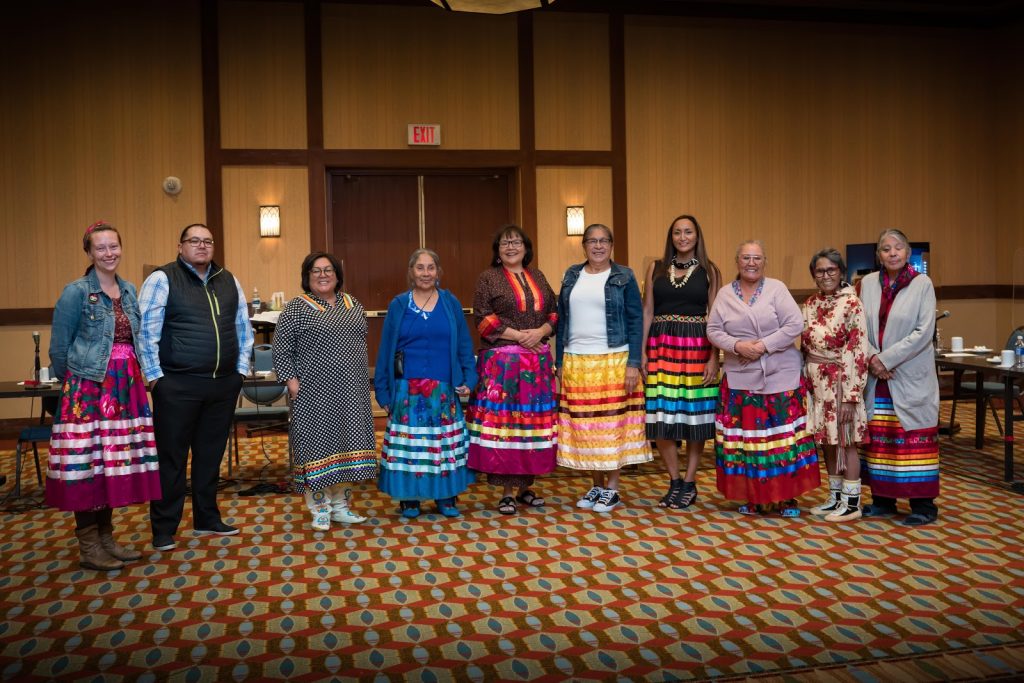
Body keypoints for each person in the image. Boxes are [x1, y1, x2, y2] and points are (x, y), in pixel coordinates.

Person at [47, 221, 161, 571]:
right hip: (88, 389)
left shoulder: (127, 290)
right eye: (101, 248)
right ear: (89, 252)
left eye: (114, 246)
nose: (109, 253)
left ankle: (107, 540)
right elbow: (59, 349)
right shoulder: (75, 292)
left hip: (125, 389)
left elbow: (136, 340)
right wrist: (77, 385)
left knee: (111, 464)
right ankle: (88, 545)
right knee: (87, 466)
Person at [138, 223, 254, 551]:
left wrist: (240, 372)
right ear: (180, 246)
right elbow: (146, 330)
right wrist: (155, 377)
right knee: (171, 459)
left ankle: (207, 518)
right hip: (177, 384)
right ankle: (164, 528)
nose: (202, 246)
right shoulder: (162, 279)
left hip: (222, 384)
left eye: (207, 241)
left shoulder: (228, 280)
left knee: (209, 456)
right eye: (194, 241)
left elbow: (242, 328)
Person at [706, 240, 819, 517]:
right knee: (749, 441)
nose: (751, 263)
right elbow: (713, 329)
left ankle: (787, 498)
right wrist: (737, 346)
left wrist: (762, 346)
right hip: (741, 378)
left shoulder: (777, 288)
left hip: (780, 376)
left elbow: (795, 324)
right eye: (746, 257)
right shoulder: (724, 294)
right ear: (737, 261)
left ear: (764, 261)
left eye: (756, 258)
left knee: (782, 440)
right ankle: (753, 495)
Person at [272, 252, 376, 531]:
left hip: (351, 393)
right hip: (313, 394)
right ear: (307, 277)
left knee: (346, 449)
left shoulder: (353, 303)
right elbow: (281, 349)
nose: (323, 275)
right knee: (317, 450)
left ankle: (341, 507)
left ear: (337, 275)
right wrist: (292, 383)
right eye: (315, 271)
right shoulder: (296, 308)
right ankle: (320, 509)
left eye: (328, 270)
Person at [556, 224, 652, 513]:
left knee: (612, 426)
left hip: (614, 358)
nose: (598, 246)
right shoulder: (572, 274)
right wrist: (560, 362)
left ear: (611, 245)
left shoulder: (624, 275)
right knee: (586, 427)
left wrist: (634, 362)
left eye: (603, 241)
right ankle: (596, 485)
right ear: (583, 245)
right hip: (577, 359)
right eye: (592, 241)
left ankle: (612, 487)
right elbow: (562, 319)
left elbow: (636, 321)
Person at [374, 248, 477, 519]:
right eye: (420, 268)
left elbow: (464, 344)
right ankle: (410, 498)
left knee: (442, 446)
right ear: (411, 272)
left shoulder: (450, 302)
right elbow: (385, 350)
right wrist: (383, 392)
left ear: (438, 272)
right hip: (407, 390)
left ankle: (446, 496)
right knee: (412, 448)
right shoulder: (399, 304)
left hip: (443, 390)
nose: (425, 273)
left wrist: (469, 378)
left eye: (431, 267)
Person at [467, 225, 558, 515]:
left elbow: (555, 312)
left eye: (516, 242)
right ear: (497, 250)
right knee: (507, 426)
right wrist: (520, 336)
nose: (511, 247)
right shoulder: (488, 278)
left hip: (537, 365)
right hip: (502, 366)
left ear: (526, 247)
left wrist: (541, 330)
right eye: (505, 243)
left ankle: (525, 488)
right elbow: (482, 318)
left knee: (531, 425)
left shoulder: (538, 276)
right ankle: (506, 491)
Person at [859, 228, 940, 526]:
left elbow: (924, 332)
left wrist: (885, 359)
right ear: (878, 255)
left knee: (911, 438)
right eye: (885, 249)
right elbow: (859, 327)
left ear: (907, 253)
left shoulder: (922, 284)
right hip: (876, 377)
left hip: (907, 373)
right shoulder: (866, 283)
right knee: (881, 438)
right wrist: (871, 358)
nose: (892, 253)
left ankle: (923, 504)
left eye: (898, 248)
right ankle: (883, 500)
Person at [642, 214, 722, 510]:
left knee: (694, 420)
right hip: (661, 347)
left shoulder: (710, 271)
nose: (683, 237)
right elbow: (648, 312)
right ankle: (674, 480)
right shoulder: (655, 268)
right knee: (661, 418)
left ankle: (689, 482)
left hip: (697, 348)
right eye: (677, 232)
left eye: (688, 232)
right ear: (671, 236)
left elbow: (715, 318)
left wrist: (715, 357)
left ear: (697, 236)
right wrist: (643, 354)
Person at [801, 247, 870, 522]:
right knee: (827, 440)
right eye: (820, 271)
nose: (826, 275)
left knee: (847, 440)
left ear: (841, 272)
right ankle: (835, 497)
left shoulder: (852, 303)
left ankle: (852, 504)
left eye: (831, 270)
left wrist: (852, 394)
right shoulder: (810, 304)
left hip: (843, 381)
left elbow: (858, 349)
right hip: (817, 384)